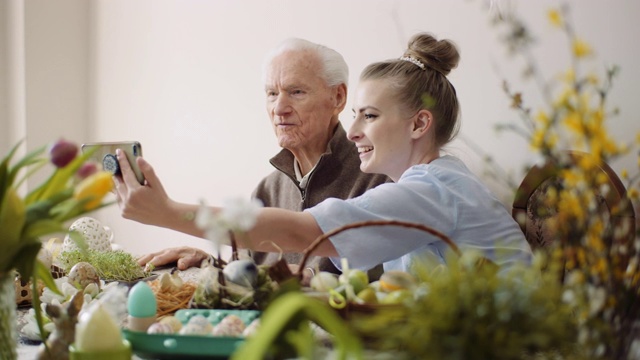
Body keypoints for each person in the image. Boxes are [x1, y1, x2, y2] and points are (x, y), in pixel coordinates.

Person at [115, 32, 532, 275]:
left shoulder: (430, 191)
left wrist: (168, 212)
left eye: (368, 116)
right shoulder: (429, 186)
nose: (351, 132)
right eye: (356, 116)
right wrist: (214, 268)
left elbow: (306, 233)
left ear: (419, 125)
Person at [114, 38, 390, 280]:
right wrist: (212, 266)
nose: (279, 108)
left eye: (296, 92)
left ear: (338, 97)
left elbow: (383, 281)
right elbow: (249, 281)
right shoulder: (267, 189)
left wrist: (308, 278)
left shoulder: (379, 176)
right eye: (272, 94)